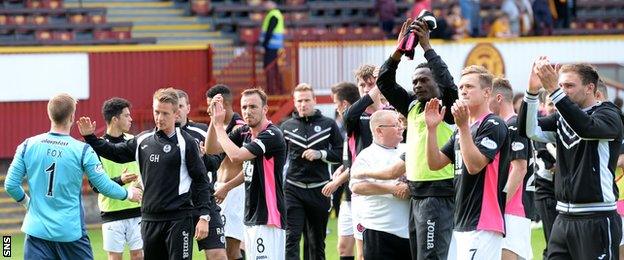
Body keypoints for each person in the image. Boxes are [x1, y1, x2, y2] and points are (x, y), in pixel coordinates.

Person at [78, 88, 214, 260]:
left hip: (178, 219)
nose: (160, 118)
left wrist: (204, 216)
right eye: (157, 112)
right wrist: (90, 137)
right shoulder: (143, 140)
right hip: (149, 219)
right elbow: (113, 152)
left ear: (176, 113)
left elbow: (201, 180)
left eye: (165, 113)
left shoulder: (187, 143)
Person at [4, 93, 141, 259]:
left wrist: (28, 204)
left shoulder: (27, 145)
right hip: (71, 233)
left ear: (50, 114)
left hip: (36, 232)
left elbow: (11, 185)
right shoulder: (82, 150)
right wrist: (128, 194)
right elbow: (103, 185)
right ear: (71, 117)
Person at [520, 58, 623, 259]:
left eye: (569, 85)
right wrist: (532, 91)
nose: (563, 90)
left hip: (596, 217)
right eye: (560, 85)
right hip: (563, 218)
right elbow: (528, 129)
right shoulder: (562, 118)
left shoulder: (609, 114)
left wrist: (553, 90)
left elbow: (585, 127)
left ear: (590, 88)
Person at [376, 18, 458, 259]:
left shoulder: (447, 106)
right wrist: (398, 51)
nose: (418, 85)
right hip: (417, 193)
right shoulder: (412, 106)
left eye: (424, 80)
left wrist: (427, 47)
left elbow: (449, 84)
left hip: (438, 194)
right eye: (414, 82)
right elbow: (384, 82)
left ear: (437, 84)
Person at [425, 65, 510, 259]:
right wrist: (431, 130)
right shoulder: (461, 129)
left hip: (483, 222)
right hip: (461, 220)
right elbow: (435, 163)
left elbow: (474, 166)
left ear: (487, 92)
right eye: (461, 86)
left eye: (469, 86)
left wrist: (462, 126)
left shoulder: (493, 124)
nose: (463, 91)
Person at [206, 88, 287, 260]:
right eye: (244, 107)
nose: (247, 111)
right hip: (252, 215)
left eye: (253, 107)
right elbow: (211, 149)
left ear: (265, 109)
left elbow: (235, 156)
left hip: (267, 217)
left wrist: (220, 126)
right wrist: (214, 122)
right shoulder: (244, 133)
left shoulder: (271, 134)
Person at [280, 83, 343, 260]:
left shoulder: (329, 124)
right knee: (291, 238)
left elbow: (340, 154)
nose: (303, 104)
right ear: (294, 102)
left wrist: (320, 154)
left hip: (320, 189)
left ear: (315, 101)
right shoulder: (286, 127)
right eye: (299, 101)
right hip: (293, 188)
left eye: (307, 100)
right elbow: (279, 160)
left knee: (316, 242)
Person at [349, 110, 411, 259]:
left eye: (401, 123)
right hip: (379, 230)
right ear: (379, 130)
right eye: (396, 125)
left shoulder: (408, 149)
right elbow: (357, 186)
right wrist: (391, 189)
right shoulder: (366, 155)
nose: (401, 127)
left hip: (410, 231)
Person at [176, 89, 228, 260]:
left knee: (218, 255)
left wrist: (203, 157)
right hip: (176, 206)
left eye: (181, 106)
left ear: (188, 108)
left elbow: (216, 162)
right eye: (173, 107)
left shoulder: (203, 131)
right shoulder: (160, 137)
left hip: (205, 201)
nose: (177, 110)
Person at [342, 64, 387, 260]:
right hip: (363, 189)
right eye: (362, 85)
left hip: (390, 186)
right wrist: (379, 85)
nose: (367, 89)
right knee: (362, 252)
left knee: (390, 246)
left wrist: (384, 85)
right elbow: (350, 115)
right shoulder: (353, 115)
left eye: (371, 84)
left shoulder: (393, 112)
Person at [488, 78, 535, 260]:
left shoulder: (513, 125)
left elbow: (520, 168)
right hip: (513, 209)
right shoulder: (505, 126)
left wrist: (499, 203)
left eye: (488, 97)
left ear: (498, 98)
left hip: (513, 209)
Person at [95, 97, 144, 260]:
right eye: (126, 115)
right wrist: (121, 180)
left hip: (137, 209)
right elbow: (96, 186)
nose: (131, 119)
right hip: (112, 212)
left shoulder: (134, 141)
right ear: (115, 119)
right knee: (115, 257)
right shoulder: (97, 147)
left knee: (138, 256)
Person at [204, 84, 247, 260]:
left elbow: (248, 167)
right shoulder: (218, 125)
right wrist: (214, 122)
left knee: (231, 250)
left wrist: (228, 187)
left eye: (211, 105)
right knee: (217, 247)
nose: (208, 109)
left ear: (224, 104)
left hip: (234, 192)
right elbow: (210, 150)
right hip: (220, 189)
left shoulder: (241, 127)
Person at [322, 82, 361, 260]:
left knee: (362, 252)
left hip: (362, 196)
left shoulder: (361, 124)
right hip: (348, 196)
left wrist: (335, 182)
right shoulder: (347, 126)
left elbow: (359, 164)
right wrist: (340, 168)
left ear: (344, 104)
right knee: (343, 248)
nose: (336, 109)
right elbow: (351, 159)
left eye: (336, 104)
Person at [259, 0, 284, 94]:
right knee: (275, 68)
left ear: (273, 4)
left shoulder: (273, 15)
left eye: (267, 3)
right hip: (274, 46)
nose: (265, 5)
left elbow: (269, 32)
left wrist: (263, 45)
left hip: (271, 46)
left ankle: (271, 90)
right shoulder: (275, 14)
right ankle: (278, 89)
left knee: (269, 68)